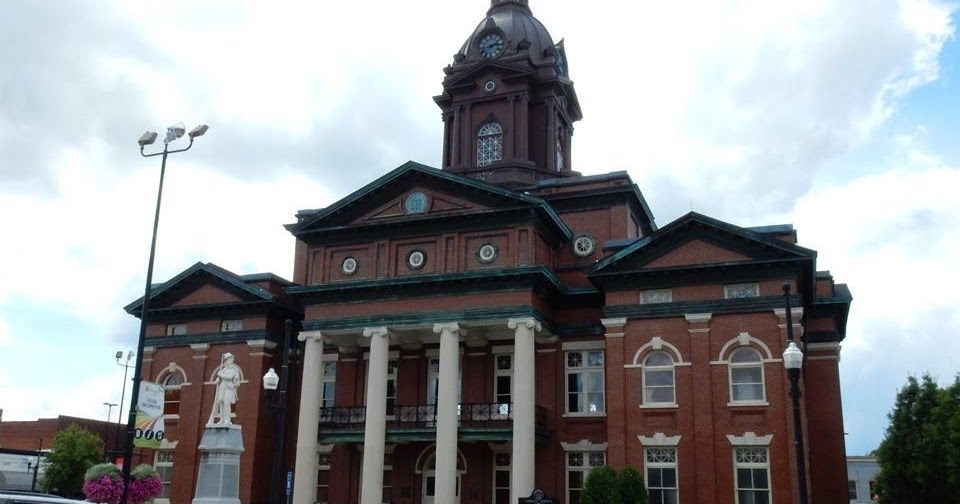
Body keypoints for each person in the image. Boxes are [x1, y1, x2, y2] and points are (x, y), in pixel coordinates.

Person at [208, 353, 242, 425]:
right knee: (221, 403)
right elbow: (218, 380)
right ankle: (222, 419)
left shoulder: (234, 370)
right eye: (227, 360)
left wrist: (220, 374)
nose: (228, 361)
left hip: (229, 387)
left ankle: (227, 419)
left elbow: (229, 377)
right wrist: (217, 380)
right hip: (222, 387)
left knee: (227, 403)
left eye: (230, 359)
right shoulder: (223, 370)